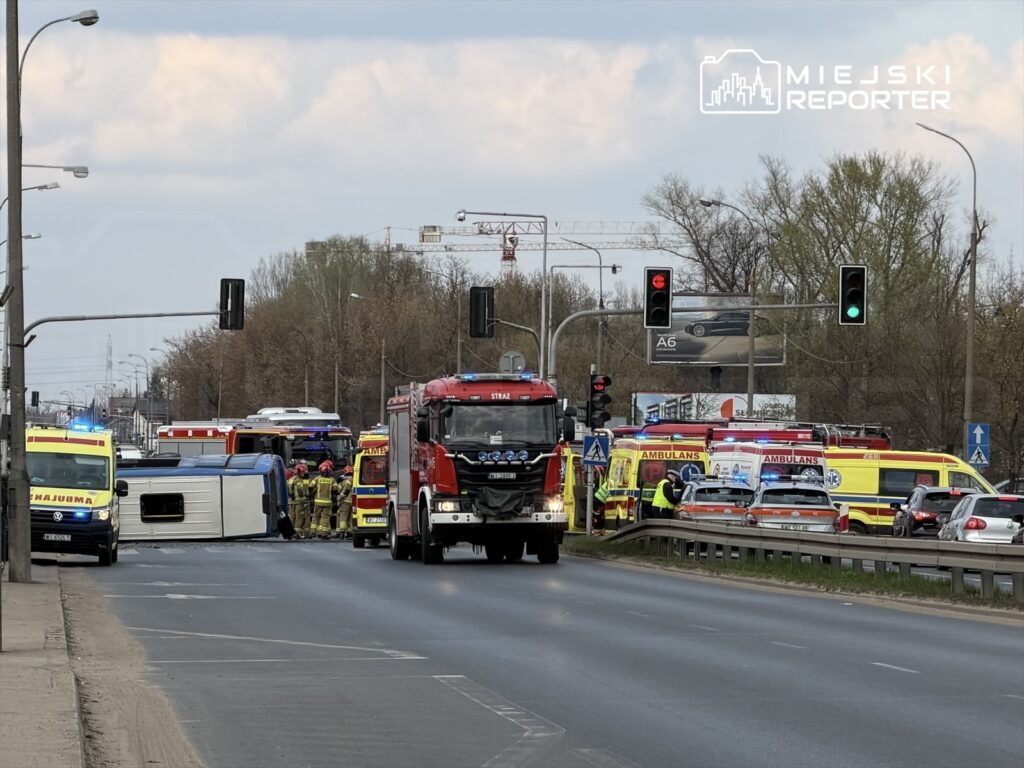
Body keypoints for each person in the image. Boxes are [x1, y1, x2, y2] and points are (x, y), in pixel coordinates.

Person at [311, 461, 339, 540]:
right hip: (327, 502)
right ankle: (323, 534)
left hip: (318, 501)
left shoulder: (317, 478)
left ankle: (313, 532)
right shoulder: (332, 480)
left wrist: (313, 494)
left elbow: (310, 487)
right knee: (325, 518)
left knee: (315, 516)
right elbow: (336, 490)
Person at [288, 462, 312, 539]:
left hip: (292, 501)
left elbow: (290, 490)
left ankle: (290, 532)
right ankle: (298, 533)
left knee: (292, 517)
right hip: (299, 502)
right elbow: (300, 490)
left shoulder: (291, 479)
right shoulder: (299, 480)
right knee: (300, 517)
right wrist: (304, 499)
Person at [336, 465, 354, 539]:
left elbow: (344, 491)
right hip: (353, 502)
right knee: (350, 517)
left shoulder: (345, 481)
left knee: (343, 517)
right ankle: (350, 532)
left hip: (345, 501)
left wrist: (339, 498)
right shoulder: (354, 479)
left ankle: (342, 532)